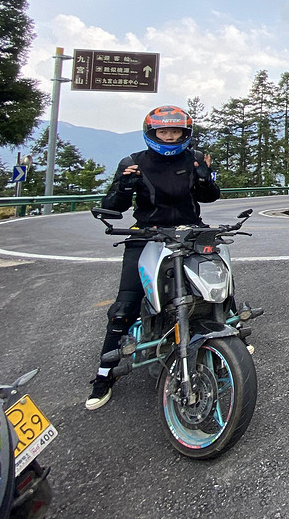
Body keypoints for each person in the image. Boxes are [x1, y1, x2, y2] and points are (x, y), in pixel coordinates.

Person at [85, 105, 219, 410]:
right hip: (146, 232)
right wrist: (123, 186)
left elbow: (210, 196)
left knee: (217, 281)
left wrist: (205, 178)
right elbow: (113, 205)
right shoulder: (133, 163)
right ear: (152, 133)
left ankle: (230, 333)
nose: (170, 137)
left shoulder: (195, 158)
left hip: (189, 231)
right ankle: (104, 375)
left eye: (176, 132)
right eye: (164, 132)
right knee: (124, 306)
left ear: (185, 134)